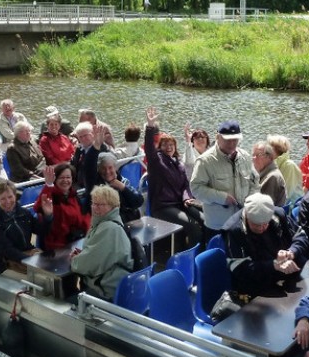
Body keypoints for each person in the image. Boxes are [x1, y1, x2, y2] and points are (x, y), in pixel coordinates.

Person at [144, 107, 203, 252]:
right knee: (193, 225)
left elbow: (185, 185)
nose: (169, 147)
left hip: (179, 203)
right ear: (160, 146)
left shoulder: (178, 163)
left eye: (171, 144)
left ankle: (202, 251)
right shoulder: (156, 160)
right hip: (163, 206)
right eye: (165, 144)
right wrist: (150, 127)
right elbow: (149, 149)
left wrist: (186, 198)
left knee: (204, 219)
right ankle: (191, 257)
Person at [190, 119, 260, 236]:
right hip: (218, 225)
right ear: (218, 137)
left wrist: (251, 201)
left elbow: (255, 183)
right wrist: (222, 197)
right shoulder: (205, 161)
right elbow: (196, 188)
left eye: (235, 139)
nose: (232, 143)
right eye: (228, 140)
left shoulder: (245, 157)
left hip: (242, 221)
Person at [222, 193, 300, 298]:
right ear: (247, 216)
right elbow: (239, 269)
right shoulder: (233, 230)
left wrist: (291, 251)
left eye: (265, 224)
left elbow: (301, 235)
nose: (261, 228)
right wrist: (273, 265)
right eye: (256, 224)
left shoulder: (278, 214)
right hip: (255, 284)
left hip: (282, 276)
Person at [69, 185, 133, 301]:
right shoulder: (108, 223)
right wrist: (83, 254)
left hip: (107, 290)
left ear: (112, 206)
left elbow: (89, 264)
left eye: (100, 205)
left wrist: (75, 260)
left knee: (67, 302)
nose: (95, 208)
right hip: (116, 284)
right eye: (93, 203)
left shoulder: (108, 228)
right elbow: (98, 254)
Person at [0, 180, 40, 277]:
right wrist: (29, 260)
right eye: (2, 199)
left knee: (53, 273)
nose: (7, 201)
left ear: (15, 196)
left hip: (27, 255)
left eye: (10, 197)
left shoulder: (24, 213)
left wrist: (49, 216)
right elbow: (7, 250)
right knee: (43, 280)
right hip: (6, 264)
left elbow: (41, 230)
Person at [33, 164, 90, 251]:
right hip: (58, 247)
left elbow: (84, 219)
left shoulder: (74, 196)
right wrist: (48, 184)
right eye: (61, 178)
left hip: (77, 242)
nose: (65, 180)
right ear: (55, 179)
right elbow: (38, 207)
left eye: (68, 177)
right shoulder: (52, 195)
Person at [93, 152, 144, 224]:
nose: (107, 172)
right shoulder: (97, 186)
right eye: (103, 168)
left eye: (110, 167)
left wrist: (122, 187)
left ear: (115, 168)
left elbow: (139, 201)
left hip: (129, 222)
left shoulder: (122, 180)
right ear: (99, 170)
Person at [266, 134, 304, 204]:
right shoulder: (273, 163)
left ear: (277, 149)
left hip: (291, 206)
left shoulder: (289, 165)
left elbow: (287, 193)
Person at [251, 140, 287, 208]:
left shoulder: (272, 177)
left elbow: (263, 208)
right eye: (253, 155)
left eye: (258, 155)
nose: (254, 158)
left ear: (270, 157)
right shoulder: (264, 173)